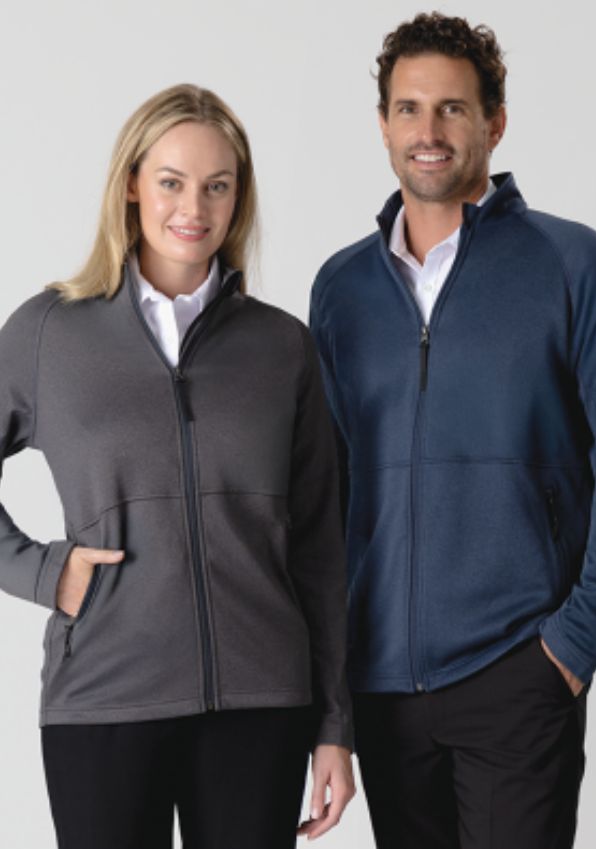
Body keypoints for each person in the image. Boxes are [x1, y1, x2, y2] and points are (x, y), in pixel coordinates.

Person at [0, 83, 354, 849]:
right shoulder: (49, 332)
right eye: (172, 181)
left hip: (261, 703)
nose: (194, 207)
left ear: (238, 198)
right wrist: (41, 571)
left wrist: (334, 722)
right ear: (132, 184)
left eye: (217, 185)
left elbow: (322, 547)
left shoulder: (281, 347)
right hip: (104, 697)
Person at [310, 12, 596, 849]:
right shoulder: (341, 289)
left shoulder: (570, 265)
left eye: (452, 109)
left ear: (494, 123)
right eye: (408, 108)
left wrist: (572, 643)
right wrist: (334, 690)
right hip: (383, 689)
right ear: (383, 124)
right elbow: (326, 492)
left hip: (518, 670)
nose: (427, 132)